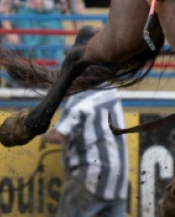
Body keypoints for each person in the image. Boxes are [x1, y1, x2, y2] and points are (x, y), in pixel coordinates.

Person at [40, 28, 128, 217]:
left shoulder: (79, 99)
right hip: (118, 177)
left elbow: (58, 135)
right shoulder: (111, 92)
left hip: (91, 175)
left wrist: (43, 137)